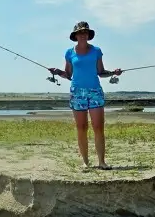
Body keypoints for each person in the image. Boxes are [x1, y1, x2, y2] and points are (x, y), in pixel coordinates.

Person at [49, 21, 122, 170]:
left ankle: (102, 162)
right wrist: (57, 72)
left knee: (98, 127)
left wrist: (113, 73)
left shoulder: (96, 51)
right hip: (77, 93)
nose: (83, 35)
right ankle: (85, 162)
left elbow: (101, 72)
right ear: (75, 35)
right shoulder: (69, 53)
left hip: (95, 91)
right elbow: (68, 74)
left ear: (88, 35)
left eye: (85, 32)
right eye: (80, 32)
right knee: (81, 127)